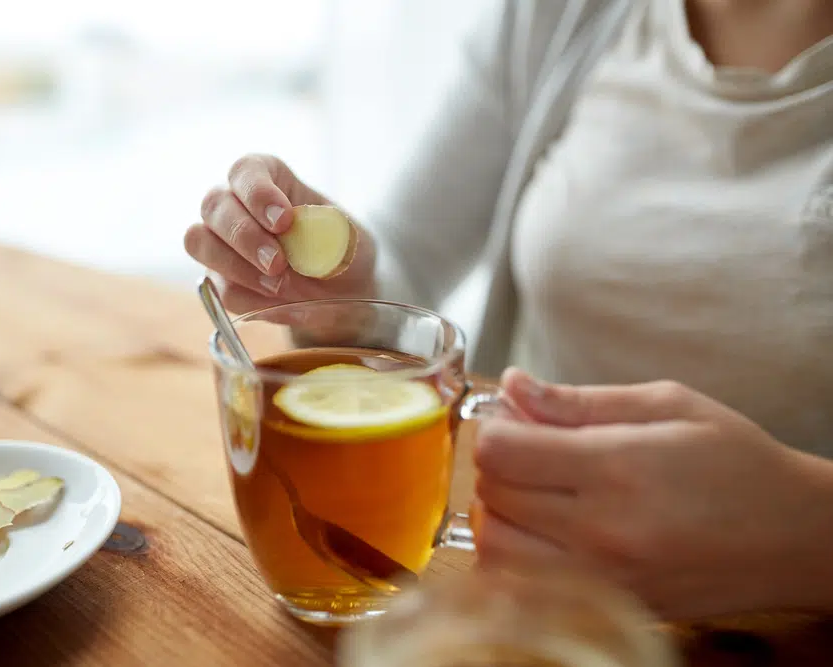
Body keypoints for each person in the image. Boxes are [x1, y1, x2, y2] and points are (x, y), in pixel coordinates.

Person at [184, 0, 833, 620]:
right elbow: (407, 264)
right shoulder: (557, 12)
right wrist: (343, 297)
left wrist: (806, 533)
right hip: (531, 599)